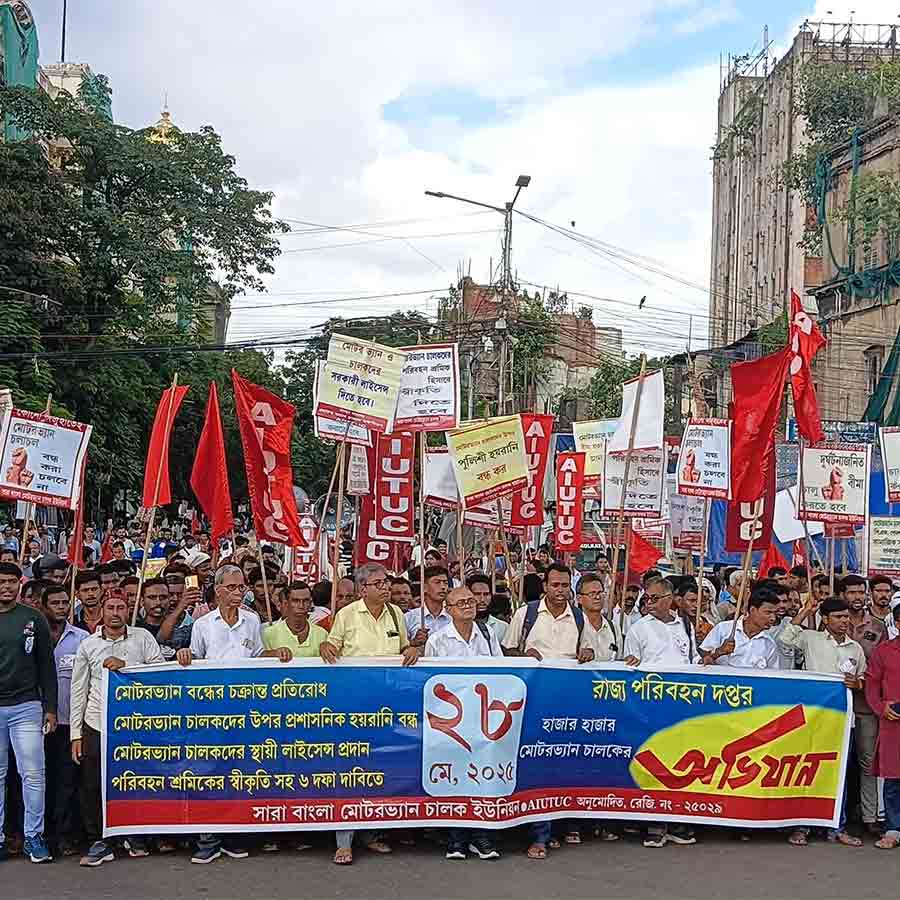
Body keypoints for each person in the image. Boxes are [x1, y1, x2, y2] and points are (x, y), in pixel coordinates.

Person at [175, 564, 291, 864]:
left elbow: (256, 658)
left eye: (242, 587)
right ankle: (207, 838)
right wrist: (185, 656)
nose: (239, 592)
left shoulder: (253, 621)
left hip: (245, 711)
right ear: (218, 590)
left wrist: (275, 654)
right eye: (232, 587)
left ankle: (235, 834)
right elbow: (195, 662)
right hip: (211, 712)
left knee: (240, 773)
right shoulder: (203, 624)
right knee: (208, 773)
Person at [319, 563, 418, 864]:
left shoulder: (396, 614)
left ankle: (372, 833)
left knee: (381, 768)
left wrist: (411, 649)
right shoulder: (347, 615)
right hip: (355, 704)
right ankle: (343, 840)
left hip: (389, 705)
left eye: (387, 582)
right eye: (379, 583)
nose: (386, 587)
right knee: (350, 769)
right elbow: (332, 646)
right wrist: (325, 646)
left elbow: (403, 648)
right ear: (363, 589)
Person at [501, 563, 596, 858]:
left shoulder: (579, 618)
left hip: (567, 703)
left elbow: (591, 652)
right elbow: (507, 651)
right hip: (532, 704)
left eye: (565, 585)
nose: (559, 591)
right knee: (536, 765)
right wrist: (523, 656)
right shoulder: (526, 614)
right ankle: (538, 834)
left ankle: (560, 826)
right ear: (544, 586)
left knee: (563, 764)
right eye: (554, 585)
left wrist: (587, 654)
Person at [70, 589, 164, 866]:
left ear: (128, 610)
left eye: (121, 607)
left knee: (133, 781)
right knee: (92, 785)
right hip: (96, 722)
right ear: (101, 610)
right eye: (110, 607)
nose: (115, 613)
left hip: (134, 724)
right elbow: (79, 690)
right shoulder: (88, 644)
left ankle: (132, 834)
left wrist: (128, 667)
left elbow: (159, 675)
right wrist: (76, 734)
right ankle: (99, 840)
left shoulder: (143, 638)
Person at [778, 596, 866, 847]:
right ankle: (801, 826)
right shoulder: (810, 639)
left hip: (842, 721)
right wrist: (804, 614)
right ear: (825, 620)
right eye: (838, 617)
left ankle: (837, 826)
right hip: (812, 718)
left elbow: (863, 679)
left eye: (846, 617)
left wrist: (857, 683)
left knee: (839, 774)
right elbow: (783, 642)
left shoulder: (855, 648)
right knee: (806, 770)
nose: (844, 621)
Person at [425, 585, 502, 861]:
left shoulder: (487, 633)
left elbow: (501, 671)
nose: (469, 605)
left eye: (471, 601)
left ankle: (482, 836)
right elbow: (431, 681)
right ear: (449, 609)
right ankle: (457, 837)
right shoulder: (437, 640)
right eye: (461, 603)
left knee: (483, 776)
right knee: (456, 778)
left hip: (483, 717)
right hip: (451, 721)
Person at [622, 575, 696, 849]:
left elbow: (692, 661)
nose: (649, 603)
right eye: (647, 598)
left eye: (654, 598)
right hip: (651, 705)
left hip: (683, 703)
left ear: (670, 599)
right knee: (655, 763)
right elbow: (630, 668)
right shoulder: (639, 629)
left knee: (682, 763)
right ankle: (654, 823)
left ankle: (677, 820)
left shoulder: (684, 625)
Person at [0, 561, 56, 864]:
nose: (6, 587)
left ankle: (34, 837)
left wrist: (50, 708)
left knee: (33, 774)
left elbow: (46, 665)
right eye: (1, 582)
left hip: (26, 706)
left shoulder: (33, 618)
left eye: (11, 582)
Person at [41, 583, 87, 857]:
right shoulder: (34, 636)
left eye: (64, 603)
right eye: (55, 603)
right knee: (39, 780)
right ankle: (38, 833)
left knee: (67, 782)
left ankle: (64, 835)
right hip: (40, 723)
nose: (60, 608)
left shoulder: (81, 638)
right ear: (44, 607)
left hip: (71, 723)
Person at [841, 573, 885, 836]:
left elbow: (880, 667)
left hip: (867, 705)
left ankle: (870, 817)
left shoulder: (877, 627)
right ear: (842, 594)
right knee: (836, 763)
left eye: (861, 592)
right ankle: (835, 816)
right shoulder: (828, 622)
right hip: (833, 705)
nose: (857, 597)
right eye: (852, 592)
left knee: (868, 763)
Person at [864, 599, 900, 848]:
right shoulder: (884, 651)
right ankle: (893, 829)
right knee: (894, 778)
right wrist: (880, 708)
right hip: (893, 719)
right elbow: (872, 683)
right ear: (898, 624)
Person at [700, 588, 779, 669]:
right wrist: (719, 652)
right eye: (768, 613)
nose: (773, 618)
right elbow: (702, 657)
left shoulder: (770, 644)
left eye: (775, 613)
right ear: (752, 610)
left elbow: (771, 673)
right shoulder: (723, 629)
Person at [263, 581, 328, 658]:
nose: (301, 605)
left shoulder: (322, 634)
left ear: (310, 603)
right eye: (296, 601)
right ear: (286, 604)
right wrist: (273, 653)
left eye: (305, 600)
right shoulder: (269, 634)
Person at [406, 565, 451, 647]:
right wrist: (414, 642)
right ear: (424, 588)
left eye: (445, 583)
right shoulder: (409, 617)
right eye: (437, 582)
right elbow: (400, 648)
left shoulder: (453, 617)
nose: (443, 587)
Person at [576, 574, 618, 662]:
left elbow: (619, 659)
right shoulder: (573, 626)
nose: (597, 597)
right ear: (579, 599)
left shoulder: (613, 628)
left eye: (600, 593)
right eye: (592, 594)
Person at [469, 574, 507, 645]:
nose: (482, 599)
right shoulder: (459, 627)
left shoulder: (503, 627)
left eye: (486, 594)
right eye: (477, 594)